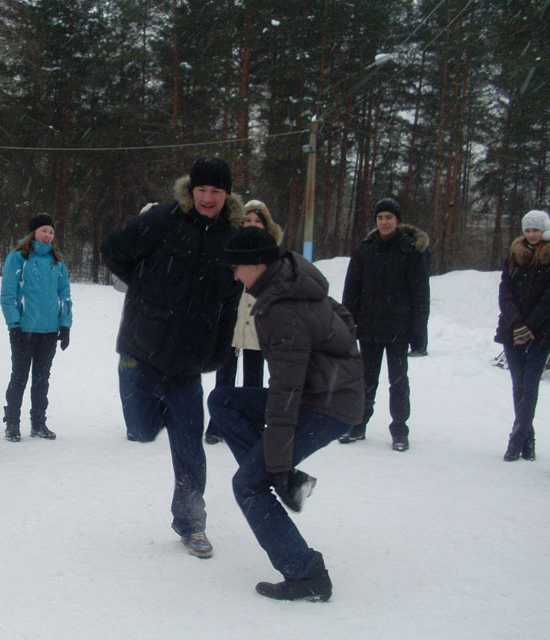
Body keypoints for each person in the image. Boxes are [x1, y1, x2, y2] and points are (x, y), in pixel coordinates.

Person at [208, 226, 364, 601]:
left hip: (327, 406)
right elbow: (346, 322)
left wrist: (274, 464)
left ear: (258, 264)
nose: (234, 275)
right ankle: (281, 478)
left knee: (247, 485)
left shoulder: (282, 308)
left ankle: (305, 571)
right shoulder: (296, 280)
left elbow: (285, 392)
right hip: (323, 392)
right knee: (223, 400)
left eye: (237, 267)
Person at [101, 156, 243, 558]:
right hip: (140, 352)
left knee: (188, 446)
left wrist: (217, 352)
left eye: (216, 191)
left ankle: (191, 523)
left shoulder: (231, 240)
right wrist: (143, 292)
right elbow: (113, 248)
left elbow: (230, 302)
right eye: (202, 190)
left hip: (186, 363)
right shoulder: (162, 220)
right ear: (190, 189)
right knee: (143, 432)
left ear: (226, 194)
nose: (208, 198)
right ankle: (156, 409)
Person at [340, 198, 430, 452]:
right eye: (380, 218)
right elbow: (352, 290)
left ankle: (400, 429)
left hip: (398, 329)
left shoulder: (410, 251)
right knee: (365, 379)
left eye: (389, 217)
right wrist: (348, 323)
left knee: (398, 381)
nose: (384, 222)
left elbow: (421, 295)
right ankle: (358, 424)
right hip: (368, 327)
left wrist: (419, 333)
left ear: (397, 220)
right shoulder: (365, 249)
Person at [205, 199, 283, 445]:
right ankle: (217, 423)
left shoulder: (273, 254)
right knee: (224, 375)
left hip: (259, 326)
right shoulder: (230, 249)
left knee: (254, 379)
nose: (251, 224)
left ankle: (251, 422)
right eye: (247, 220)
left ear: (266, 225)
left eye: (257, 221)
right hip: (231, 323)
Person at [0, 213, 72, 441]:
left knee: (42, 379)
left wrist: (65, 324)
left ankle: (38, 423)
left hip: (49, 330)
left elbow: (65, 294)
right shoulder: (18, 257)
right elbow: (8, 294)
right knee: (19, 376)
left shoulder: (57, 260)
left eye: (51, 232)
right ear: (34, 232)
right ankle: (12, 423)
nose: (48, 235)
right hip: (24, 329)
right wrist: (14, 324)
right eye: (44, 231)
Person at [494, 210, 550, 462]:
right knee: (518, 386)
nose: (531, 234)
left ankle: (516, 438)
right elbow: (505, 292)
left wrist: (529, 325)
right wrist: (517, 322)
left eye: (536, 230)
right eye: (528, 230)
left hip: (539, 333)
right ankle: (528, 440)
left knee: (529, 386)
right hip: (511, 330)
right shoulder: (514, 255)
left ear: (545, 231)